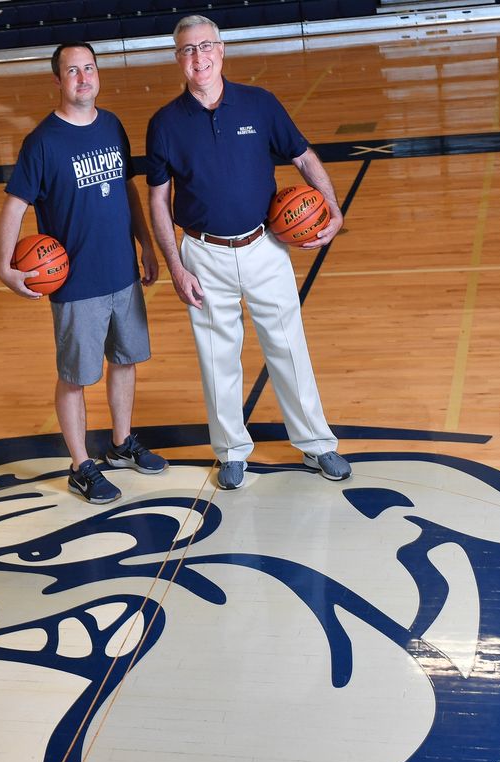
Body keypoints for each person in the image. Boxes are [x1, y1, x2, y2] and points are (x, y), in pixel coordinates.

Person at [145, 15, 351, 490]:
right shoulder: (165, 124)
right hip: (202, 254)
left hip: (265, 246)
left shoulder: (260, 104)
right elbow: (158, 198)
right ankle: (232, 452)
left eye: (205, 47)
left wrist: (333, 209)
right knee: (217, 358)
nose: (198, 57)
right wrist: (175, 266)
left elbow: (303, 156)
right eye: (187, 50)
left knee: (288, 348)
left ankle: (318, 444)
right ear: (178, 59)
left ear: (221, 50)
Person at [0, 41, 166, 504]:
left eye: (89, 68)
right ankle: (80, 465)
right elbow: (15, 205)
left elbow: (128, 190)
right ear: (58, 80)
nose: (83, 78)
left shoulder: (112, 125)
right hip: (75, 284)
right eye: (73, 71)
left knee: (126, 360)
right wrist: (4, 264)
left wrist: (145, 244)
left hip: (123, 273)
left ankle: (121, 444)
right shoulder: (43, 142)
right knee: (75, 376)